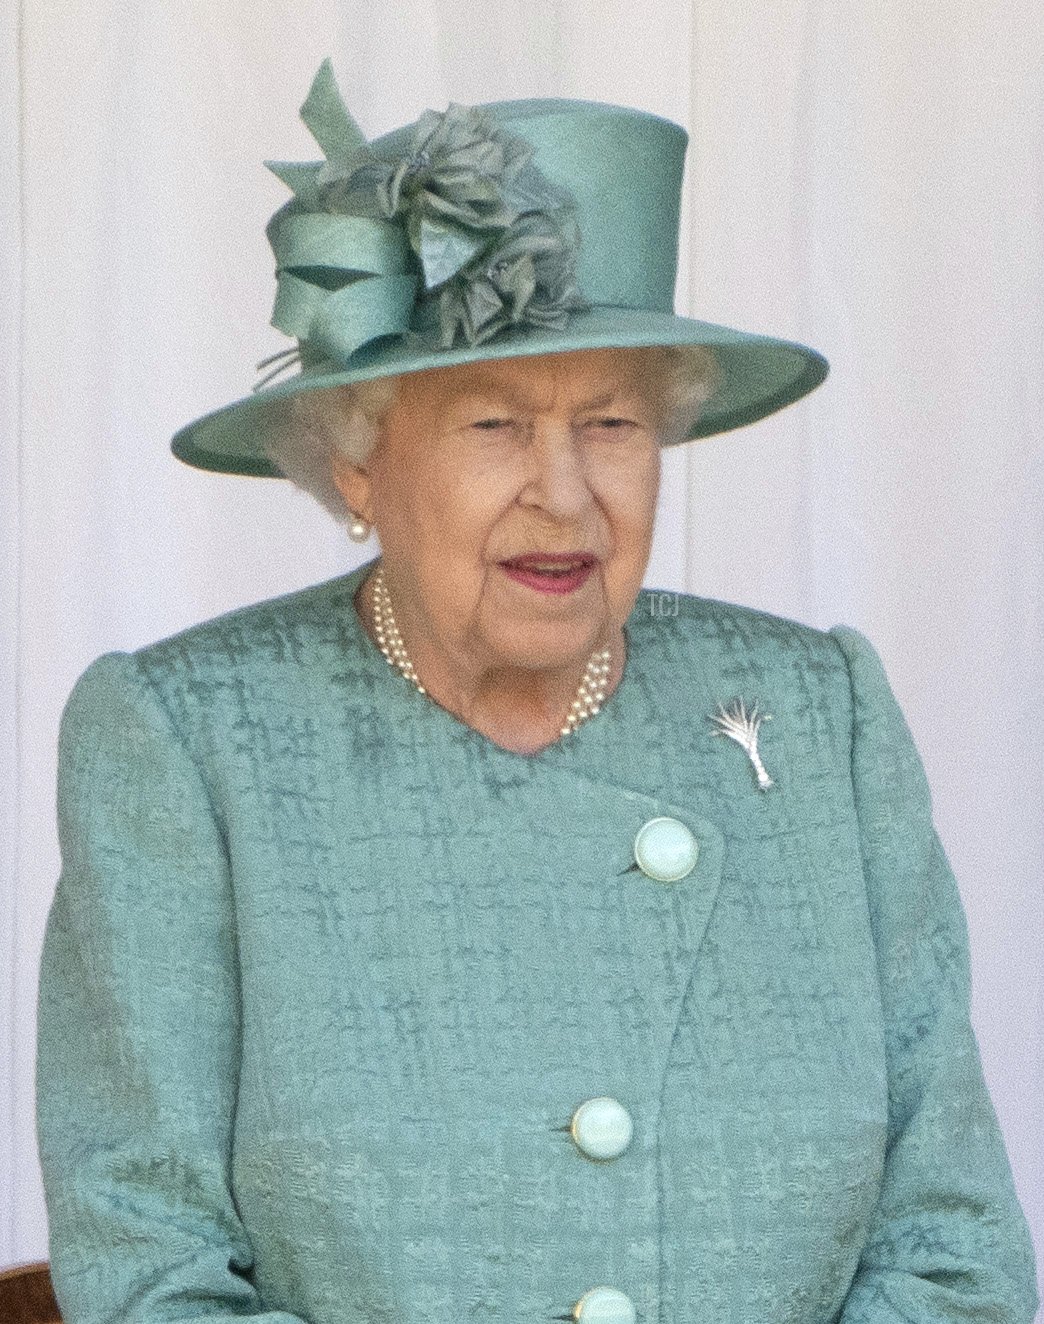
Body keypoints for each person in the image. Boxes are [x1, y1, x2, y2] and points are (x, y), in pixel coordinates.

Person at [35, 59, 1038, 1324]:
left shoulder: (817, 713)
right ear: (357, 462)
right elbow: (150, 1271)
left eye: (611, 425)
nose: (565, 496)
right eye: (493, 425)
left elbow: (956, 1250)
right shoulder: (193, 743)